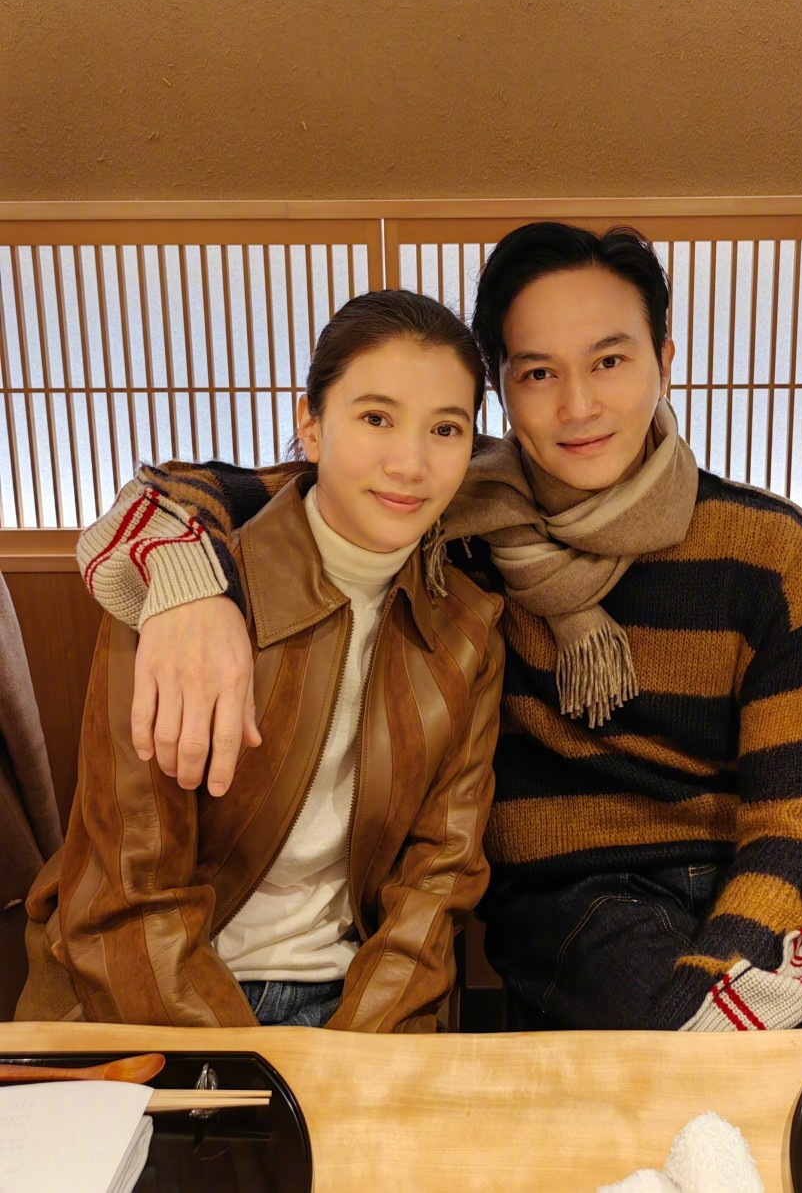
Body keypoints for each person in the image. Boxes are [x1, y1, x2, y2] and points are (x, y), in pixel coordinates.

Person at [58, 223, 802, 1031]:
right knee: (689, 1043)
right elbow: (240, 494)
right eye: (538, 373)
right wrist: (186, 582)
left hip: (733, 871)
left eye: (609, 362)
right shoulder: (453, 520)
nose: (579, 405)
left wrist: (738, 980)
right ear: (504, 390)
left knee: (780, 1043)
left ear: (665, 361)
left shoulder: (766, 550)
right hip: (570, 896)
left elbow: (796, 816)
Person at [16, 290, 504, 1031]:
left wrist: (360, 1054)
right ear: (311, 424)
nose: (410, 463)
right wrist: (247, 1067)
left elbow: (439, 877)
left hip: (352, 998)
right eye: (375, 417)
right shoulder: (179, 590)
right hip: (156, 993)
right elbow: (127, 895)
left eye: (445, 428)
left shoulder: (468, 629)